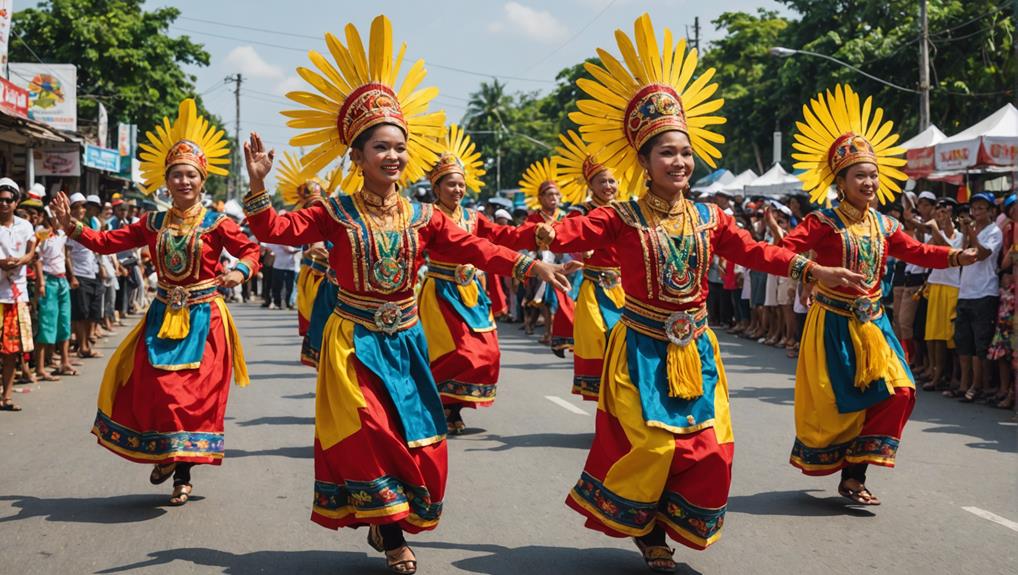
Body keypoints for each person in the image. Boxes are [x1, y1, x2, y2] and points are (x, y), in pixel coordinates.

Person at [525, 15, 865, 571]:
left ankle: (665, 524)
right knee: (656, 446)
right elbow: (568, 233)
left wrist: (815, 271)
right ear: (643, 161)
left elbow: (760, 254)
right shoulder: (623, 217)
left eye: (685, 152)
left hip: (697, 350)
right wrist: (535, 237)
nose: (679, 161)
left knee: (708, 450)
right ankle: (647, 528)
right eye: (666, 153)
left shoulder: (712, 217)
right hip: (640, 351)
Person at [239, 15, 572, 574]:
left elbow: (473, 248)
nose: (392, 156)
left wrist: (527, 262)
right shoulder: (336, 211)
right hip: (352, 342)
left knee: (419, 441)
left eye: (399, 147)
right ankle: (392, 534)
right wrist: (255, 186)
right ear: (357, 154)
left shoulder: (424, 216)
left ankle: (390, 516)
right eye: (380, 147)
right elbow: (277, 231)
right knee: (369, 430)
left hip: (406, 339)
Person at [50, 99, 261, 505]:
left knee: (194, 398)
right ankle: (168, 455)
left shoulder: (218, 223)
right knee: (163, 391)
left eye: (191, 176)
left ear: (202, 181)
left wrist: (239, 272)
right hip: (163, 315)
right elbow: (107, 242)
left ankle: (182, 471)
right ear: (166, 182)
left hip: (206, 318)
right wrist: (71, 227)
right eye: (177, 176)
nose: (184, 182)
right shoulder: (152, 223)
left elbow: (251, 249)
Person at [779, 84, 977, 506]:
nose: (869, 182)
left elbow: (920, 251)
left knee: (900, 391)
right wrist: (812, 271)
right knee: (844, 403)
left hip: (874, 323)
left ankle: (856, 472)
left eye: (873, 174)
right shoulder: (823, 222)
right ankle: (851, 476)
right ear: (840, 181)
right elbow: (783, 251)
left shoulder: (885, 225)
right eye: (860, 175)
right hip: (833, 323)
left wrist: (961, 255)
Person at [418, 124, 526, 433]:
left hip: (471, 291)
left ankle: (454, 404)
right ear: (437, 187)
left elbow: (501, 236)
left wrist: (539, 236)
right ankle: (443, 406)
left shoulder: (472, 217)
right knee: (455, 351)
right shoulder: (428, 216)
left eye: (460, 185)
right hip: (440, 292)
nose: (457, 190)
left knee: (487, 351)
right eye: (450, 185)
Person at [554, 130, 625, 400]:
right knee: (601, 339)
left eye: (612, 181)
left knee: (625, 345)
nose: (608, 186)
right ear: (591, 185)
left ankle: (622, 402)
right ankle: (607, 401)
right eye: (602, 181)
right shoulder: (581, 214)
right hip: (594, 289)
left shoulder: (626, 212)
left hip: (624, 288)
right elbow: (564, 237)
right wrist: (580, 257)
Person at [521, 157, 579, 355]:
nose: (553, 198)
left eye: (556, 194)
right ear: (540, 198)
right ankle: (549, 331)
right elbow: (522, 240)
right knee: (545, 300)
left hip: (567, 264)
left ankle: (561, 334)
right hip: (542, 265)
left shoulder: (567, 218)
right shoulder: (533, 219)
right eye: (548, 194)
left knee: (565, 300)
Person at [949, 192, 1003, 402]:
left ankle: (979, 385)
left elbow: (981, 254)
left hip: (984, 292)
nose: (976, 212)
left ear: (991, 211)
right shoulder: (971, 230)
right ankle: (964, 383)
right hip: (966, 291)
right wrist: (966, 232)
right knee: (964, 342)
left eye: (982, 208)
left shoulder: (994, 231)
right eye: (975, 208)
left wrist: (970, 232)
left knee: (981, 344)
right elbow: (963, 255)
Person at [0, 179, 37, 411]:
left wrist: (22, 260)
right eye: (0, 200)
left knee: (11, 350)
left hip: (15, 295)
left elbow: (32, 248)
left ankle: (7, 396)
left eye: (7, 200)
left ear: (15, 202)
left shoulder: (25, 226)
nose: (3, 204)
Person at [922, 197, 962, 391]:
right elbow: (929, 250)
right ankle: (936, 375)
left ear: (952, 212)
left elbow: (948, 250)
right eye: (938, 210)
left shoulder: (961, 235)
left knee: (951, 338)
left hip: (953, 286)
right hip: (936, 284)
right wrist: (934, 228)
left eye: (945, 210)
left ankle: (954, 376)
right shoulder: (933, 231)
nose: (941, 213)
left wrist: (936, 228)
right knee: (934, 335)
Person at [34, 206, 76, 380]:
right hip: (48, 280)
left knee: (64, 321)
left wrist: (70, 276)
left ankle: (64, 361)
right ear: (50, 219)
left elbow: (65, 254)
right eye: (56, 217)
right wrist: (41, 283)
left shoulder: (62, 234)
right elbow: (37, 259)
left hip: (62, 280)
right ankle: (40, 368)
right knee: (47, 323)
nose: (59, 220)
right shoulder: (41, 234)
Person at [66, 193, 104, 359]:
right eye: (76, 207)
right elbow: (66, 254)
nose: (81, 210)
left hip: (92, 272)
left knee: (92, 313)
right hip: (79, 274)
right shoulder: (69, 228)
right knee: (81, 314)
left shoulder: (89, 224)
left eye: (83, 206)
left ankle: (86, 344)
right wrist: (72, 275)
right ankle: (83, 347)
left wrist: (100, 267)